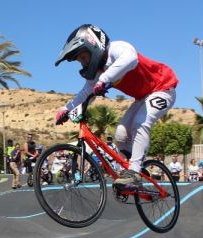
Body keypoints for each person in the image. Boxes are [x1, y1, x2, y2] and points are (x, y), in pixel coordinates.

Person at [54, 24, 178, 190]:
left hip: (163, 88)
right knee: (120, 134)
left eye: (83, 58)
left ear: (94, 45)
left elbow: (131, 58)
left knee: (140, 122)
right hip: (142, 97)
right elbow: (85, 93)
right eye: (80, 61)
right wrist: (65, 109)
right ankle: (132, 170)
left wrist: (104, 80)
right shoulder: (98, 72)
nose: (83, 64)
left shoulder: (117, 48)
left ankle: (134, 173)